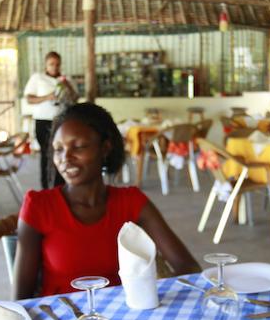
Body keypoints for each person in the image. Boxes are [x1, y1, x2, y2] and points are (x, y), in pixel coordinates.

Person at [13, 102, 200, 299]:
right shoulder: (39, 207)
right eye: (58, 149)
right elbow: (20, 299)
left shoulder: (131, 202)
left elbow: (188, 267)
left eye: (79, 146)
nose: (65, 158)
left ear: (105, 148)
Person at [24, 51, 76, 189]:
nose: (55, 67)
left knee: (62, 153)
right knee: (47, 154)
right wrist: (47, 97)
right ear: (46, 65)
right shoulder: (37, 78)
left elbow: (75, 98)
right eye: (51, 64)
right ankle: (47, 188)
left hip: (61, 122)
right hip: (43, 121)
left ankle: (61, 186)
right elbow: (29, 98)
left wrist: (67, 85)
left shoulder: (65, 79)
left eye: (57, 64)